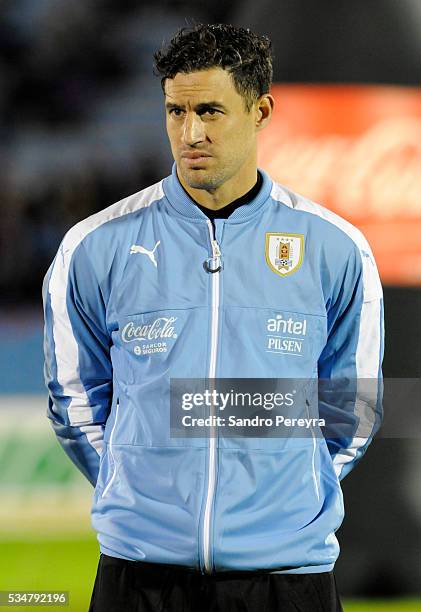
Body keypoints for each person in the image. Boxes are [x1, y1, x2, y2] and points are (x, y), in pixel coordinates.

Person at [42, 23, 384, 612]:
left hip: (287, 576)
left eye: (210, 110)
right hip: (140, 575)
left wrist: (286, 497)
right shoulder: (93, 246)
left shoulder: (336, 248)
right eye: (175, 111)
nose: (189, 132)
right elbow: (75, 401)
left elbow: (353, 405)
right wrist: (137, 488)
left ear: (260, 110)